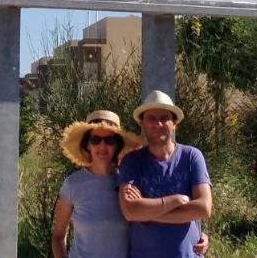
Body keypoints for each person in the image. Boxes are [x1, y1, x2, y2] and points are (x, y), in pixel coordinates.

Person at [52, 109, 209, 258]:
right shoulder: (73, 185)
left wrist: (196, 232)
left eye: (109, 140)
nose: (102, 146)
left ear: (117, 144)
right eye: (95, 139)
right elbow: (58, 236)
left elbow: (148, 214)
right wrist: (175, 201)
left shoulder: (127, 182)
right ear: (87, 144)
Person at [117, 90, 212, 258]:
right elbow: (130, 211)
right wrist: (176, 201)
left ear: (174, 123)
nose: (158, 124)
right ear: (142, 123)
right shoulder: (132, 162)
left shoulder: (191, 156)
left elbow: (203, 208)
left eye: (164, 118)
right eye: (151, 118)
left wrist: (147, 214)